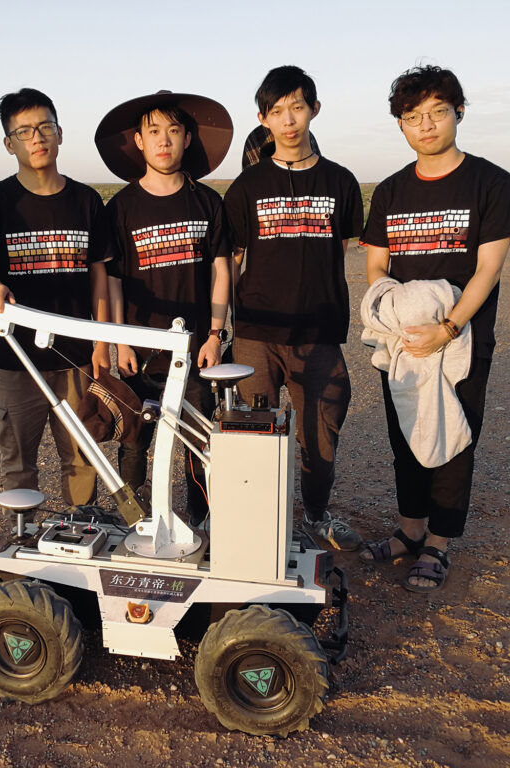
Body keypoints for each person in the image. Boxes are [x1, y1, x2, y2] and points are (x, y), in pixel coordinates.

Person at [359, 65, 510, 592]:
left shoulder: (492, 183)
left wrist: (447, 328)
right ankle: (410, 530)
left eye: (437, 112)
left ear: (459, 112)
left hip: (462, 337)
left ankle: (438, 543)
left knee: (455, 437)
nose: (426, 125)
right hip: (404, 341)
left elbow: (487, 270)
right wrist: (398, 317)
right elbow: (376, 268)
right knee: (404, 435)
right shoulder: (390, 192)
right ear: (401, 125)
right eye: (413, 117)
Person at [223, 66, 364, 551]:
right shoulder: (246, 187)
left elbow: (338, 252)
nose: (289, 120)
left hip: (319, 331)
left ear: (314, 110)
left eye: (297, 108)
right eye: (277, 111)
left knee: (321, 432)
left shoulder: (341, 181)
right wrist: (220, 326)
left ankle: (316, 515)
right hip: (256, 333)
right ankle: (257, 527)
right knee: (253, 433)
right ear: (263, 118)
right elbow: (234, 260)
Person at [0, 88, 111, 507]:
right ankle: (23, 535)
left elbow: (99, 276)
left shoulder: (86, 200)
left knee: (82, 454)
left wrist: (102, 342)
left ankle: (82, 527)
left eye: (45, 127)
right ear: (9, 144)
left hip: (76, 355)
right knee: (18, 460)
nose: (36, 138)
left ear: (60, 133)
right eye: (23, 131)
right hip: (15, 356)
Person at [94, 91, 233, 525]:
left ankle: (201, 521)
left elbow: (222, 270)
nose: (164, 140)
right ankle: (133, 519)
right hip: (140, 350)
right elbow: (114, 281)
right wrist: (120, 342)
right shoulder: (121, 207)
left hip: (196, 350)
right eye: (153, 131)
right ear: (139, 141)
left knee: (197, 441)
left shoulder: (207, 201)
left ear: (187, 139)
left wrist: (215, 334)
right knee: (135, 439)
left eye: (174, 131)